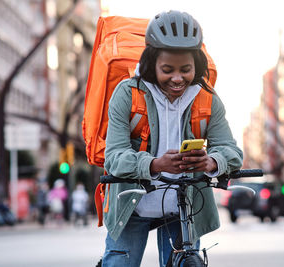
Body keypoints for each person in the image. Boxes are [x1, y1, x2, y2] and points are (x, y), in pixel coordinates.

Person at [103, 10, 242, 267]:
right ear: (151, 63)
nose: (178, 78)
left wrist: (211, 162)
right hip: (132, 204)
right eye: (167, 69)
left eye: (186, 70)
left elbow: (231, 151)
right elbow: (113, 158)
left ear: (196, 66)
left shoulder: (207, 98)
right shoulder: (127, 94)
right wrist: (155, 165)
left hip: (184, 206)